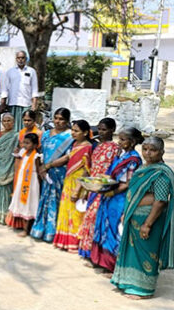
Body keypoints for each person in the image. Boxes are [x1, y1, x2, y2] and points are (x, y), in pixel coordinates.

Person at [110, 137, 174, 299]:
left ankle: (144, 289)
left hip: (149, 220)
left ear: (161, 152)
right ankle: (128, 282)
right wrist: (127, 213)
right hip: (134, 217)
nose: (147, 153)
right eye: (145, 149)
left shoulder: (161, 174)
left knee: (147, 253)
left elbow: (160, 201)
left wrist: (147, 224)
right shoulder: (144, 168)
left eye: (152, 150)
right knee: (132, 251)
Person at [91, 127, 143, 272]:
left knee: (114, 229)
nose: (118, 142)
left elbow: (128, 183)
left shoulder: (134, 159)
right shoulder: (121, 154)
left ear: (132, 142)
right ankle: (99, 259)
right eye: (118, 138)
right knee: (103, 226)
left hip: (119, 198)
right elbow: (110, 174)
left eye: (122, 139)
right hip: (108, 194)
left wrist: (112, 193)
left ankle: (111, 264)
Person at [77, 118, 121, 259]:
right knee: (89, 218)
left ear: (112, 130)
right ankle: (87, 251)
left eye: (104, 129)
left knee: (97, 219)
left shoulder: (115, 149)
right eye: (100, 129)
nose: (101, 132)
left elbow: (116, 170)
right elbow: (88, 169)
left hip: (105, 188)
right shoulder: (94, 147)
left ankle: (97, 254)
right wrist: (84, 189)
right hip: (92, 188)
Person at [31, 108, 73, 242]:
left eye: (61, 119)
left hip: (59, 172)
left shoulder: (70, 136)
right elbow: (40, 151)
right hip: (44, 172)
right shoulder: (46, 134)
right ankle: (39, 228)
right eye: (56, 118)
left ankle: (52, 231)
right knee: (44, 198)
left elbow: (68, 156)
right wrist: (40, 168)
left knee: (56, 199)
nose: (58, 121)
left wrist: (49, 166)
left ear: (67, 121)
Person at [53, 120, 93, 252]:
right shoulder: (75, 144)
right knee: (66, 210)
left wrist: (77, 190)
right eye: (73, 130)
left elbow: (87, 170)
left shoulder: (87, 148)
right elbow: (66, 158)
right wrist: (48, 165)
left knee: (76, 213)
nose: (73, 133)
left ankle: (74, 242)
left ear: (85, 133)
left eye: (76, 131)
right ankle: (64, 241)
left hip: (78, 183)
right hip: (69, 180)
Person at [5, 133, 42, 236]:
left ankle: (27, 229)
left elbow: (38, 170)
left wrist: (38, 183)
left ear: (35, 145)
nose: (25, 145)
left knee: (29, 203)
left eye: (28, 143)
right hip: (22, 180)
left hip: (32, 182)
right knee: (21, 202)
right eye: (24, 142)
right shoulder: (23, 153)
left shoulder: (36, 156)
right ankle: (20, 225)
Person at [0, 113, 19, 224]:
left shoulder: (16, 135)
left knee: (6, 188)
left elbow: (17, 150)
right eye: (4, 121)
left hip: (10, 164)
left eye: (9, 121)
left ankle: (5, 216)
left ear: (13, 122)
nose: (6, 123)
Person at [3, 50, 39, 132]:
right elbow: (5, 89)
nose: (20, 60)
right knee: (12, 127)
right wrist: (4, 103)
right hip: (13, 104)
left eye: (22, 58)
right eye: (18, 58)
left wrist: (34, 105)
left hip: (26, 104)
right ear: (16, 59)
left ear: (26, 59)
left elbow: (34, 89)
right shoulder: (10, 72)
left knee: (26, 127)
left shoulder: (31, 71)